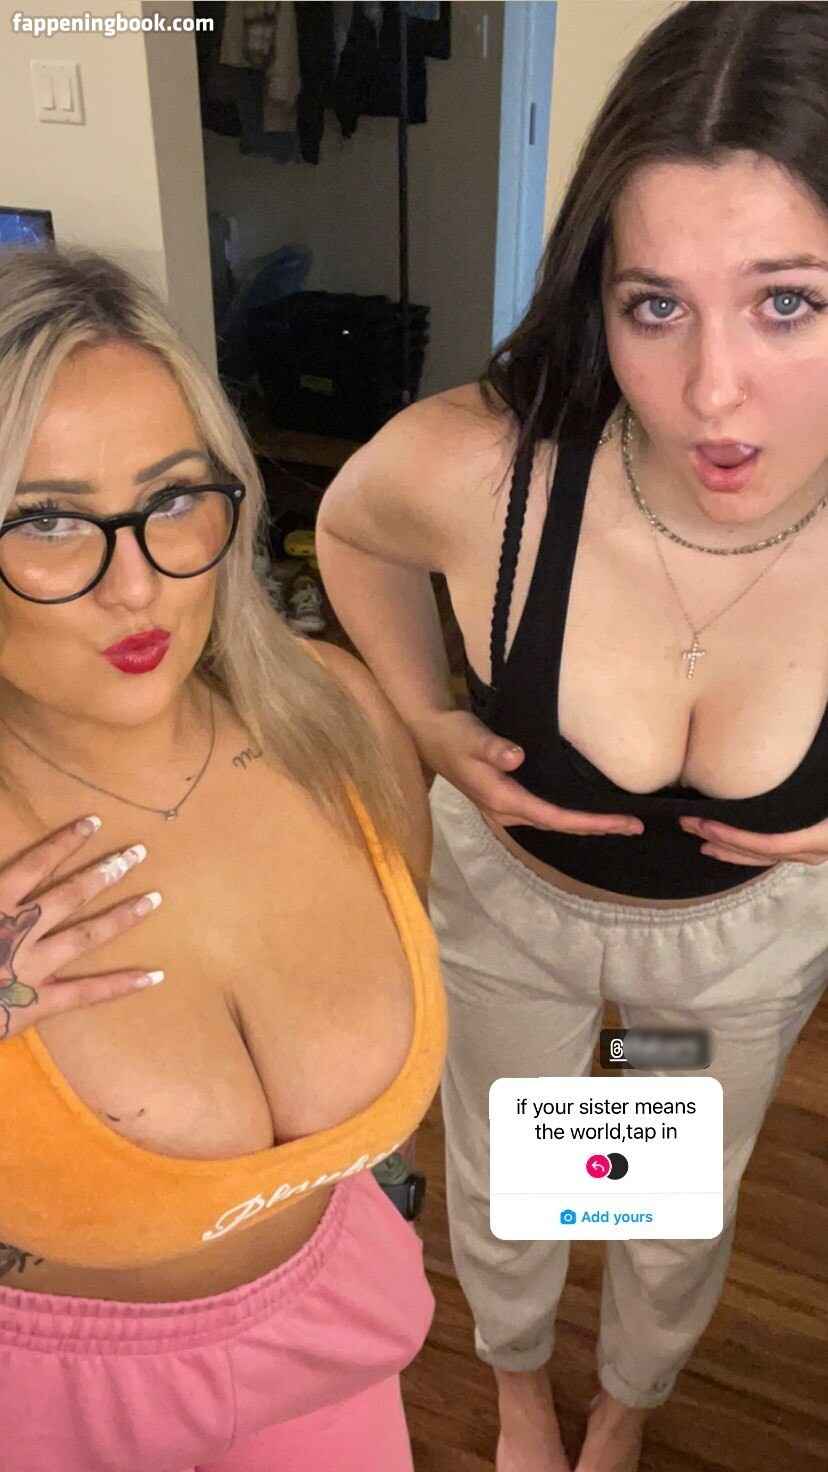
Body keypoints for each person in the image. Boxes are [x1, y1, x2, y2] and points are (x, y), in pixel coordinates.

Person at [315, 4, 828, 1469]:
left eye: (789, 302)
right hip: (521, 920)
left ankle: (627, 1401)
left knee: (664, 1209)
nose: (714, 392)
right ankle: (522, 1386)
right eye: (655, 305)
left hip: (735, 949)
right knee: (516, 1182)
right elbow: (350, 529)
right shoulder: (491, 473)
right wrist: (426, 716)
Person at [0, 246, 447, 1472]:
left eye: (173, 497)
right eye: (46, 519)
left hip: (330, 1338)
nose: (138, 584)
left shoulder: (336, 719)